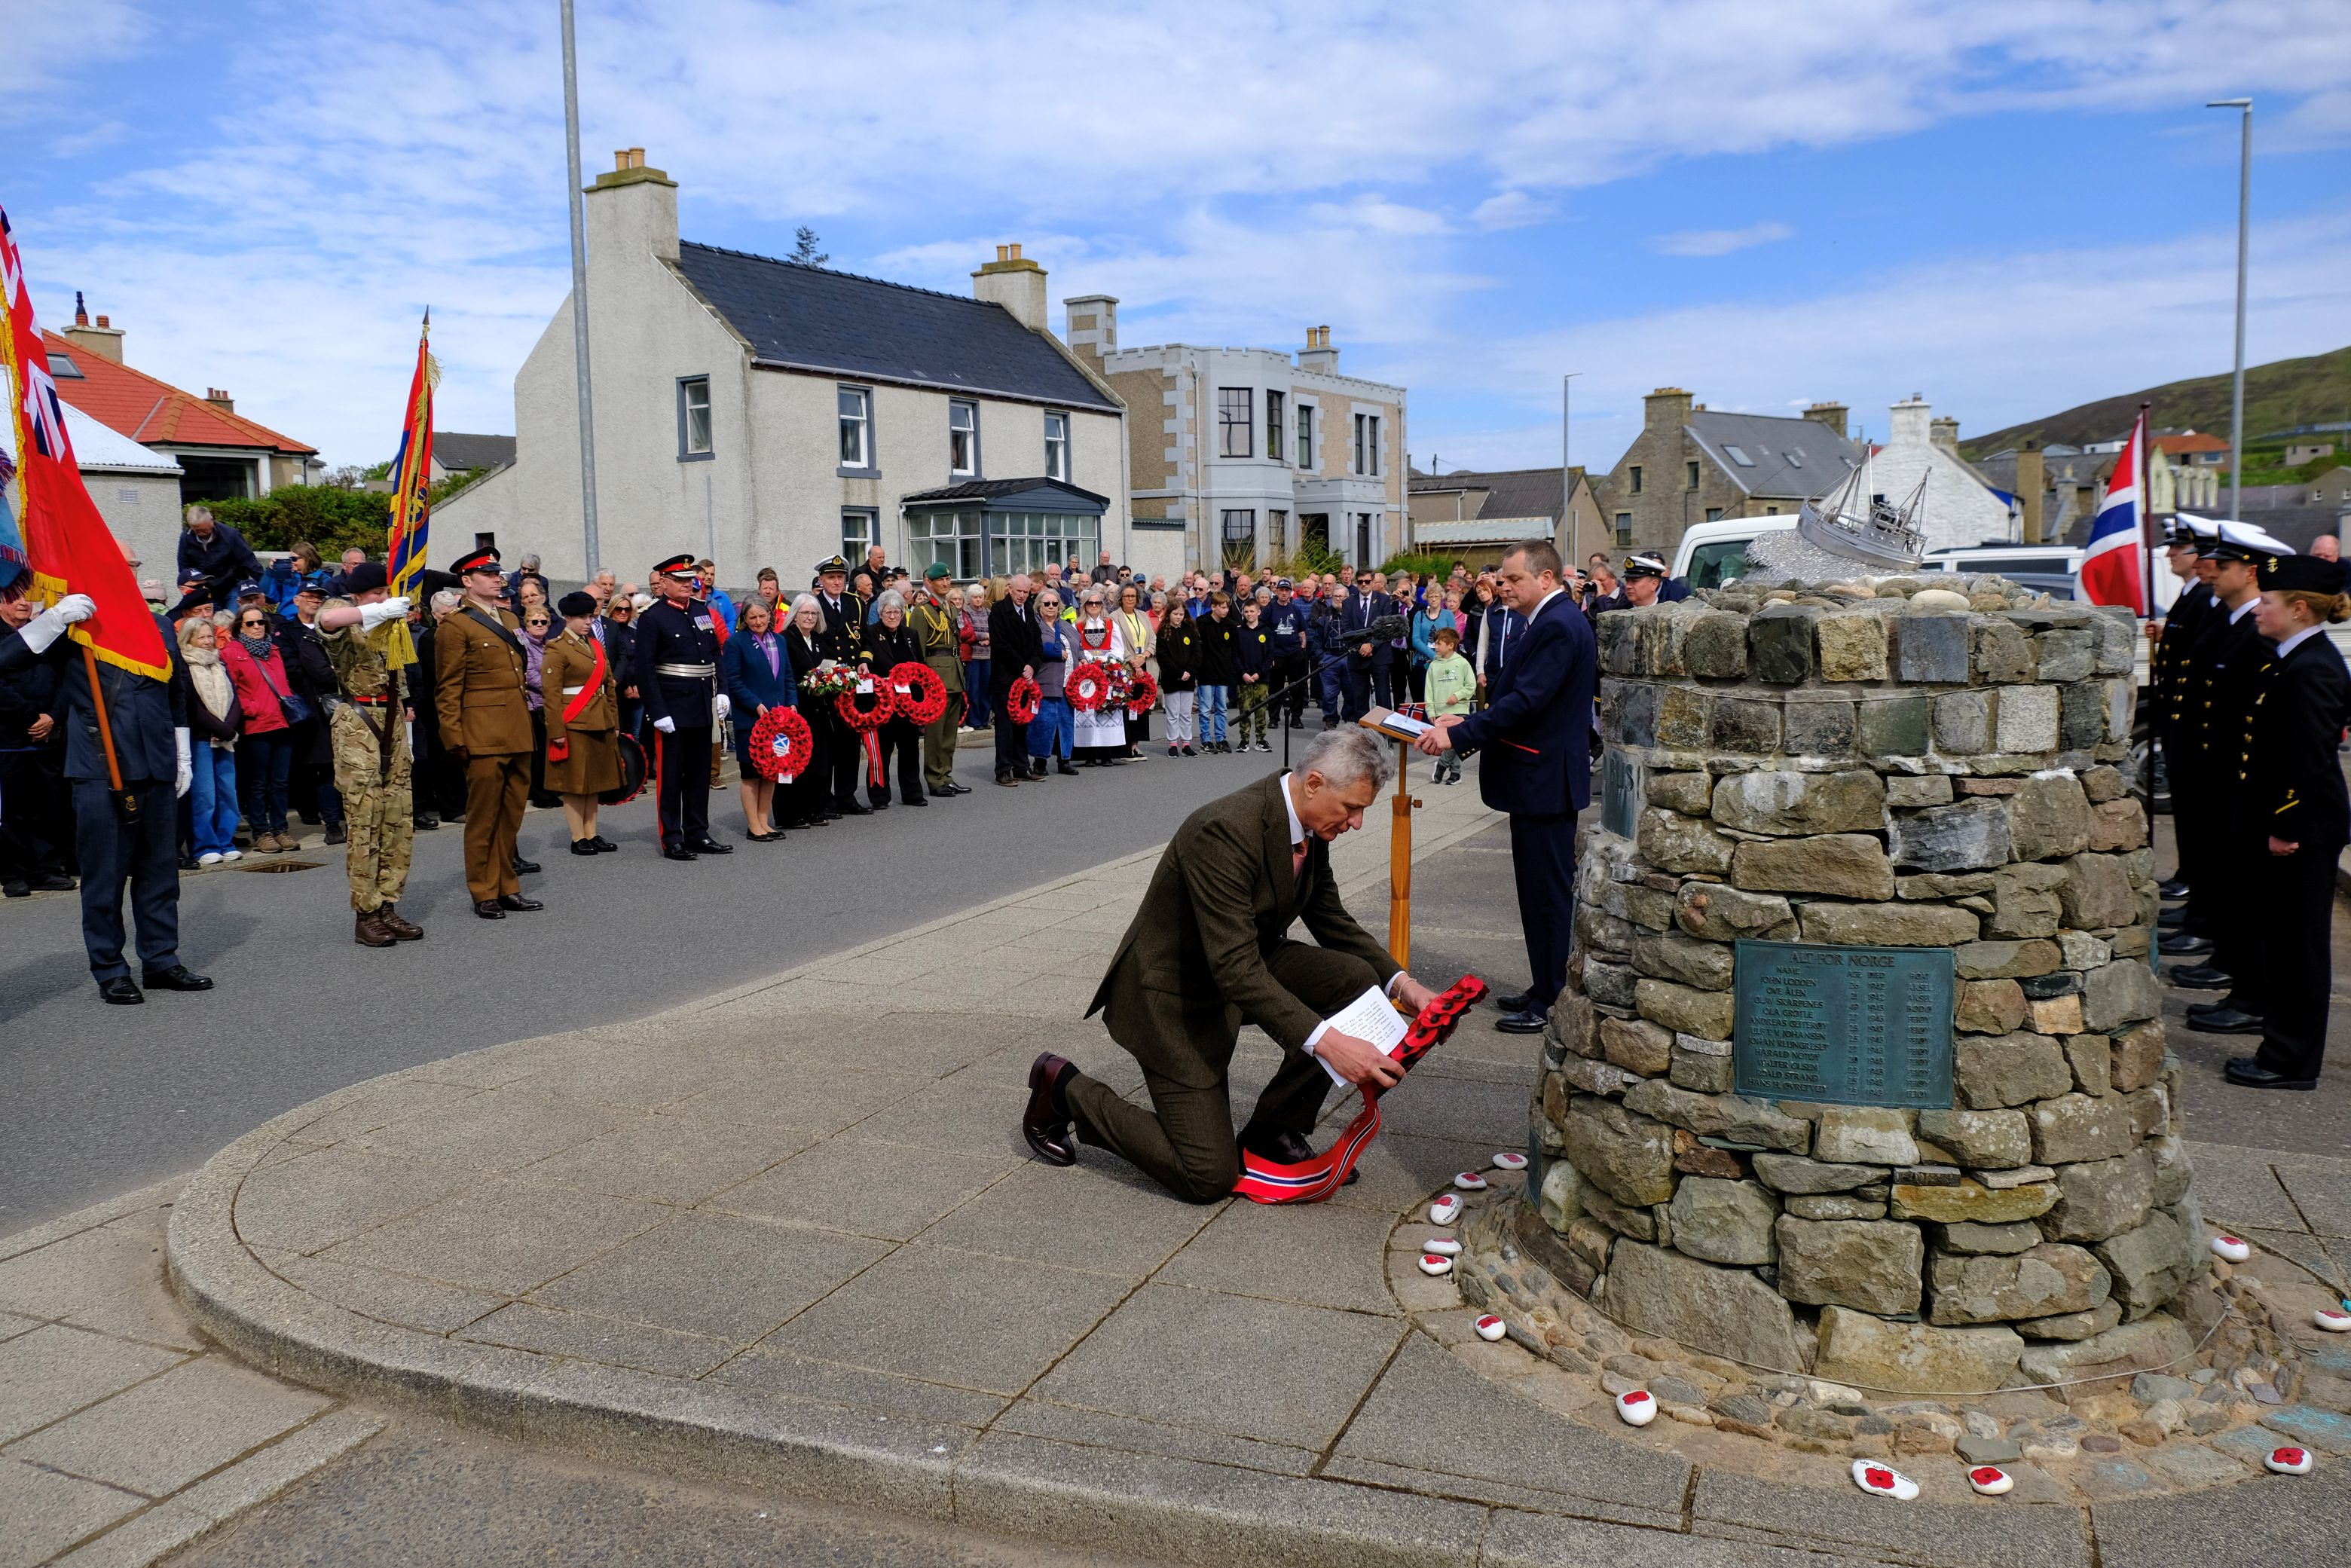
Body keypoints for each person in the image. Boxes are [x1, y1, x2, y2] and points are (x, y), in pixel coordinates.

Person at [1020, 729, 1439, 1200]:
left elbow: (1329, 917)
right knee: (1207, 1176)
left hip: (1239, 962)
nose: (1358, 823)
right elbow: (1235, 968)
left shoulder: (1307, 822)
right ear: (1315, 783)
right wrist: (1330, 1044)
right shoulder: (1224, 829)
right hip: (1173, 995)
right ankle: (1065, 1090)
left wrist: (1403, 985)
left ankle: (1272, 1132)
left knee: (1355, 981)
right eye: (1352, 808)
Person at [1415, 539, 1597, 1034]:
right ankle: (1543, 983)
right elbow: (1518, 698)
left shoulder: (1558, 624)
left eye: (1514, 579)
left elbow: (1526, 704)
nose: (1503, 586)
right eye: (1504, 578)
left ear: (1545, 578)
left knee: (1547, 896)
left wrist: (1456, 733)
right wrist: (1469, 715)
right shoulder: (1549, 620)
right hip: (1535, 781)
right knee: (1537, 892)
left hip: (1544, 782)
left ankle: (1552, 997)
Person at [0, 591, 213, 1004]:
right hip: (101, 765)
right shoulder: (79, 624)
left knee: (160, 873)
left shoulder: (159, 625)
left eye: (132, 566)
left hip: (156, 762)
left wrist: (182, 750)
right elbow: (6, 659)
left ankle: (160, 959)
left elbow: (175, 692)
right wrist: (54, 620)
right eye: (123, 564)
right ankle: (111, 968)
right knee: (104, 877)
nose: (128, 574)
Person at [2220, 552, 2351, 1090]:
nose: (2258, 608)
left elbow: (2311, 757)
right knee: (2283, 939)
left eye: (2267, 601)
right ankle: (2281, 1046)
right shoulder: (2292, 656)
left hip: (2303, 829)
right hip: (2291, 824)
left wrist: (2287, 826)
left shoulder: (2313, 664)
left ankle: (2290, 1060)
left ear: (2298, 608)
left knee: (2298, 947)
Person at [310, 565, 423, 946]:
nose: (383, 597)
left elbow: (400, 680)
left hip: (392, 719)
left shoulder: (391, 629)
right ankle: (366, 912)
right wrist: (377, 609)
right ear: (359, 595)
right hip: (358, 721)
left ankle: (389, 904)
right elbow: (325, 620)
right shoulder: (351, 621)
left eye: (386, 591)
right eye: (376, 592)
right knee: (364, 818)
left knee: (397, 817)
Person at [436, 547, 543, 919]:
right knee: (483, 817)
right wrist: (454, 738)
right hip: (481, 734)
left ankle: (508, 886)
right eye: (487, 574)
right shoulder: (456, 625)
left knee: (512, 814)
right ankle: (484, 891)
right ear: (467, 581)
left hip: (516, 728)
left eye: (498, 573)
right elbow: (448, 688)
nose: (498, 578)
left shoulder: (511, 617)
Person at [634, 552, 732, 860]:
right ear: (663, 583)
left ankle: (698, 832)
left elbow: (716, 655)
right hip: (673, 707)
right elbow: (645, 670)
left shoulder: (702, 612)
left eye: (690, 580)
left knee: (699, 773)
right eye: (680, 580)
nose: (688, 585)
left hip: (703, 703)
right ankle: (672, 837)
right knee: (672, 776)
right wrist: (657, 711)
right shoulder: (653, 618)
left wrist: (723, 692)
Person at [0, 594, 77, 894]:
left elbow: (64, 680)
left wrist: (53, 718)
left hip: (46, 738)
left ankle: (46, 869)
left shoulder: (45, 635)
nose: (23, 603)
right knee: (12, 812)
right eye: (13, 597)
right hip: (9, 740)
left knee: (48, 808)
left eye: (27, 597)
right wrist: (31, 717)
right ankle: (14, 873)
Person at [219, 602, 301, 853]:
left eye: (261, 622)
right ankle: (261, 831)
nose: (257, 627)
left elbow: (282, 683)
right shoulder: (232, 652)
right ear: (240, 627)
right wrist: (250, 708)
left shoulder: (274, 649)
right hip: (256, 725)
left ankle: (280, 829)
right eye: (250, 623)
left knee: (280, 781)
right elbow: (230, 688)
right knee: (257, 783)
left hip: (281, 722)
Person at [718, 597, 794, 842]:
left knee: (771, 772)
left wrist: (792, 703)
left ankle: (764, 821)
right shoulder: (736, 643)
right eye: (753, 617)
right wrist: (756, 704)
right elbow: (734, 680)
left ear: (770, 616)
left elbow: (788, 677)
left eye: (762, 616)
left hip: (779, 719)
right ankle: (753, 825)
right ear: (745, 619)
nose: (758, 621)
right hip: (751, 719)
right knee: (751, 774)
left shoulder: (780, 640)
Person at [280, 579, 345, 845]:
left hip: (339, 704)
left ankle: (344, 817)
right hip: (312, 708)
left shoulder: (334, 630)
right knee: (324, 768)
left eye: (320, 598)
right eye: (309, 596)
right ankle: (331, 823)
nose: (316, 601)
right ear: (296, 600)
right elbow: (296, 670)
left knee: (343, 766)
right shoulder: (289, 631)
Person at [176, 617, 243, 867]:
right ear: (188, 639)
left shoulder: (220, 664)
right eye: (201, 637)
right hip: (201, 738)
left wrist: (228, 728)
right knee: (204, 795)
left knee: (228, 793)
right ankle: (204, 846)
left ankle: (226, 842)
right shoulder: (184, 665)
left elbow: (235, 699)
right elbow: (192, 706)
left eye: (210, 636)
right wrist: (220, 728)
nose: (207, 641)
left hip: (225, 737)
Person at [812, 555, 873, 815]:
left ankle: (847, 796)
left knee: (849, 743)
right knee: (827, 745)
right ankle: (825, 799)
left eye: (840, 577)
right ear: (822, 580)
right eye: (831, 578)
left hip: (851, 685)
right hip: (826, 684)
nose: (836, 582)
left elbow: (865, 640)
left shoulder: (855, 603)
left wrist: (863, 661)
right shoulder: (812, 605)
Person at [909, 564, 970, 797]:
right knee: (935, 734)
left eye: (948, 579)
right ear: (930, 583)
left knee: (949, 733)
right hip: (935, 677)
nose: (945, 583)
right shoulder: (922, 612)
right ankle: (934, 779)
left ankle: (946, 775)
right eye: (940, 580)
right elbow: (918, 651)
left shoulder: (950, 608)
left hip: (954, 673)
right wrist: (925, 683)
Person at [782, 594, 836, 827]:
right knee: (796, 763)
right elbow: (785, 674)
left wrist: (830, 681)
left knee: (818, 763)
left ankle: (815, 808)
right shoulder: (786, 639)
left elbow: (826, 667)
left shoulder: (818, 639)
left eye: (814, 614)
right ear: (795, 615)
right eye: (805, 613)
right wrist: (808, 686)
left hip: (819, 708)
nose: (810, 618)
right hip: (797, 707)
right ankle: (792, 812)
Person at [988, 573, 1041, 787]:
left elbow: (1037, 643)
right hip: (1006, 678)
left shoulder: (1029, 609)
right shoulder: (999, 610)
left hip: (1025, 678)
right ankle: (1003, 770)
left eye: (1026, 592)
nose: (1022, 595)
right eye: (1019, 591)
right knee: (1005, 727)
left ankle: (1021, 766)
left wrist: (1032, 666)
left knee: (1022, 724)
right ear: (1010, 589)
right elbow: (1001, 646)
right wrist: (1022, 667)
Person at [1069, 587, 1128, 767]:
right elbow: (1075, 647)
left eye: (1097, 603)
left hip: (1107, 671)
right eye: (1090, 603)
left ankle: (1107, 754)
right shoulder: (1077, 626)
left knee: (1107, 709)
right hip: (1087, 673)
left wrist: (1107, 660)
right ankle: (1089, 754)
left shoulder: (1110, 624)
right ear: (1084, 605)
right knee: (1088, 710)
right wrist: (1087, 661)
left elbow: (1119, 648)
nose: (1094, 606)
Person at [176, 504, 266, 609]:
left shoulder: (231, 535)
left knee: (233, 618)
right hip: (205, 588)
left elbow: (249, 562)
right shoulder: (186, 538)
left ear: (212, 521)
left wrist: (264, 589)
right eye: (196, 530)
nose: (200, 533)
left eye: (203, 530)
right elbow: (184, 567)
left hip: (232, 585)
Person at [1027, 587, 1077, 777]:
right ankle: (1040, 762)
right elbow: (1038, 648)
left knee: (1066, 723)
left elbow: (1077, 646)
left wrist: (1084, 660)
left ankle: (1065, 761)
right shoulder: (1035, 626)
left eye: (1054, 604)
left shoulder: (1065, 625)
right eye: (1046, 603)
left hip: (1069, 684)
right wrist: (1056, 652)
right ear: (1039, 606)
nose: (1051, 607)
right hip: (1046, 682)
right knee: (1043, 723)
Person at [1423, 624, 1476, 785]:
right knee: (1448, 744)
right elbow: (1429, 690)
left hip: (1458, 710)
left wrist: (1457, 695)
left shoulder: (1462, 663)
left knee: (1455, 741)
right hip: (1440, 711)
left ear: (1451, 645)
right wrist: (1430, 710)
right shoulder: (1434, 665)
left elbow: (1471, 685)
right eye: (1435, 643)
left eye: (1439, 643)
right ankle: (1456, 773)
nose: (1436, 647)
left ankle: (1441, 765)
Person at [1338, 568, 1390, 722]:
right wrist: (1362, 646)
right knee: (1360, 700)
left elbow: (1386, 628)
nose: (1364, 584)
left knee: (1383, 699)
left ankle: (1384, 737)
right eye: (1360, 582)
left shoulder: (1384, 600)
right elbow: (1347, 628)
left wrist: (1372, 645)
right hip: (1357, 656)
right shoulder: (1348, 603)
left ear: (1373, 581)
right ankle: (1363, 738)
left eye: (1367, 581)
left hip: (1379, 656)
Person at [1114, 582, 1154, 758]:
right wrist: (1133, 661)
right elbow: (1117, 644)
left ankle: (1135, 744)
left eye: (1133, 596)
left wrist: (1144, 656)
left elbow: (1152, 639)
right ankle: (1125, 745)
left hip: (1143, 664)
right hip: (1125, 667)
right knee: (1126, 706)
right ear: (1120, 599)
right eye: (1127, 596)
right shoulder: (1114, 616)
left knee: (1140, 706)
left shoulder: (1143, 615)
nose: (1130, 599)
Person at [1263, 579, 1309, 730]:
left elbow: (1302, 632)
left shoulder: (1295, 610)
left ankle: (1296, 718)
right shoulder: (1269, 609)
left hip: (1294, 653)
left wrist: (1302, 649)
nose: (1284, 593)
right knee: (1275, 687)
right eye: (1281, 590)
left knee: (1297, 687)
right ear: (1276, 591)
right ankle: (1274, 718)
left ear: (1291, 592)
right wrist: (1268, 655)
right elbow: (1264, 631)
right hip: (1277, 655)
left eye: (1287, 590)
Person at [1157, 598, 1199, 756]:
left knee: (1186, 713)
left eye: (1181, 614)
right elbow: (1163, 657)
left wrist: (1189, 671)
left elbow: (1197, 653)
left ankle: (1186, 743)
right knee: (1173, 714)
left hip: (1188, 678)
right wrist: (1179, 673)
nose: (1179, 617)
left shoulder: (1190, 630)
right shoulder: (1163, 632)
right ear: (1169, 614)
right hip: (1172, 678)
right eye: (1175, 614)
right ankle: (1173, 743)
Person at [1195, 591, 1235, 752]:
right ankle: (1206, 740)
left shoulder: (1230, 625)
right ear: (1213, 607)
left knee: (1221, 708)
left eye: (1227, 607)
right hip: (1206, 673)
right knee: (1205, 709)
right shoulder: (1202, 623)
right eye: (1223, 607)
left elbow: (1232, 648)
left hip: (1223, 673)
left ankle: (1221, 738)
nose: (1226, 610)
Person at [1232, 599, 1273, 752]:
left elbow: (1270, 655)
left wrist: (1258, 673)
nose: (1249, 614)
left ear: (1259, 612)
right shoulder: (1239, 632)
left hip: (1261, 678)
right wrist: (1243, 673)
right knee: (1245, 709)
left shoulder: (1266, 631)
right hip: (1244, 679)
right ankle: (1244, 740)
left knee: (1261, 709)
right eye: (1246, 612)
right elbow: (1235, 655)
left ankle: (1261, 739)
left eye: (1252, 611)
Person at [1405, 593, 1454, 705]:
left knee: (1441, 698)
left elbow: (1453, 638)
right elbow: (1415, 640)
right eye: (1430, 596)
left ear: (1441, 598)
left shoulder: (1448, 615)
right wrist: (1433, 655)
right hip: (1422, 662)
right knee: (1422, 699)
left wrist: (1441, 656)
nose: (1433, 599)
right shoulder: (1420, 615)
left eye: (1436, 596)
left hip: (1444, 662)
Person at [962, 579, 993, 730]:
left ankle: (984, 720)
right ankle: (974, 720)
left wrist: (989, 639)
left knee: (986, 689)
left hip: (987, 656)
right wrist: (985, 636)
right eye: (975, 597)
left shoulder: (988, 612)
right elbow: (968, 633)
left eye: (980, 596)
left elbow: (995, 631)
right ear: (969, 598)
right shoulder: (966, 612)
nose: (978, 599)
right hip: (973, 657)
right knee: (973, 689)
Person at [1619, 552, 1689, 607]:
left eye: (1634, 581)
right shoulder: (1616, 614)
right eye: (1627, 581)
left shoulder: (1673, 611)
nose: (1628, 586)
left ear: (1654, 584)